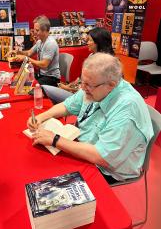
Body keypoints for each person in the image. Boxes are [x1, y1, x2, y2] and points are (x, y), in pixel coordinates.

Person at [27, 53, 153, 184]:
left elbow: (102, 156)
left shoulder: (127, 108)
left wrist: (55, 139)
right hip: (84, 146)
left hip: (105, 168)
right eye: (82, 82)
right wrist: (40, 117)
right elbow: (67, 106)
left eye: (88, 85)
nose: (82, 88)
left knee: (45, 178)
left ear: (111, 85)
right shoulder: (96, 84)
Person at [43, 27, 114, 103]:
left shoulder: (104, 64)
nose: (87, 43)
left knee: (45, 89)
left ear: (99, 42)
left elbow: (90, 90)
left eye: (90, 40)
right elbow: (80, 80)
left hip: (84, 98)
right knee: (46, 88)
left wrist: (68, 88)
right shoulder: (92, 55)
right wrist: (70, 85)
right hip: (78, 92)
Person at [9, 15, 60, 86]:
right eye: (34, 30)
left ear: (45, 30)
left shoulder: (50, 44)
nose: (34, 32)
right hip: (42, 75)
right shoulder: (40, 41)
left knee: (29, 87)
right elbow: (29, 53)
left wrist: (26, 59)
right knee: (19, 81)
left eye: (37, 30)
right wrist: (18, 52)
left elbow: (44, 65)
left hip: (51, 78)